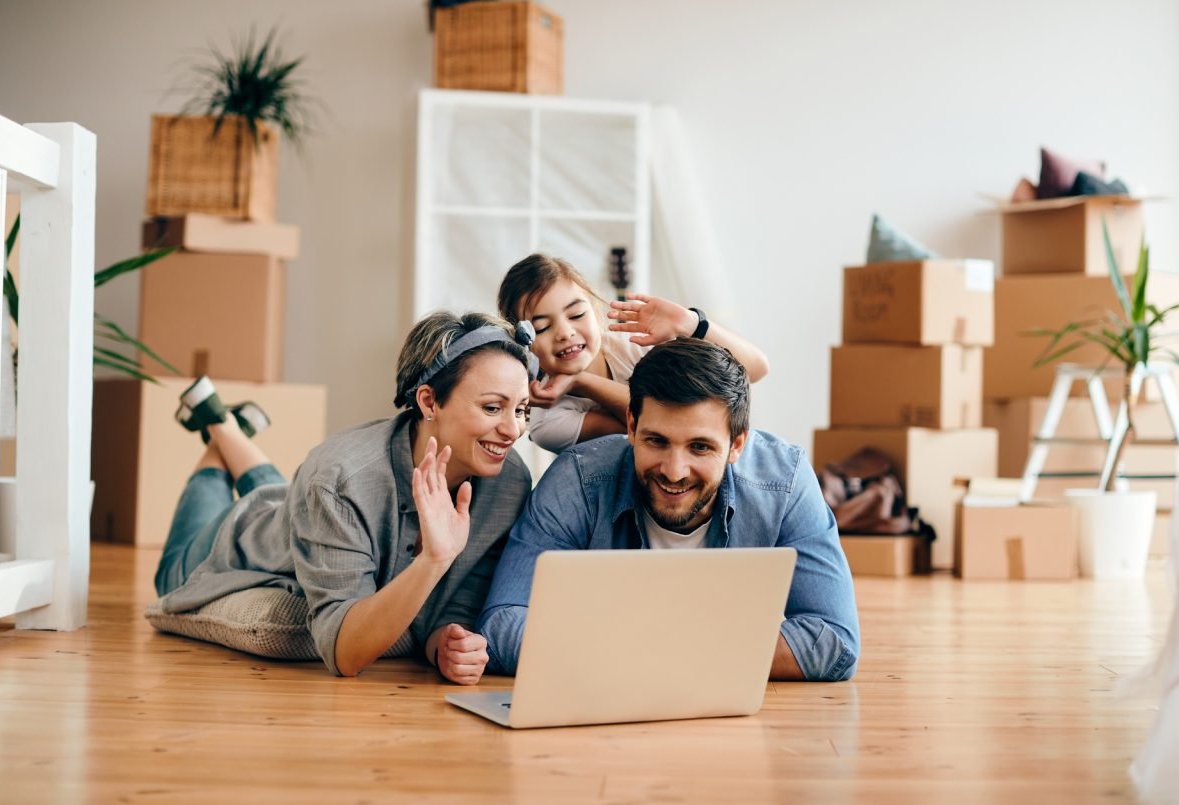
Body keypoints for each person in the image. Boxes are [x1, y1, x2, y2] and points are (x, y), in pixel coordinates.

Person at [153, 311, 536, 684]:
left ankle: (226, 427)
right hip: (236, 541)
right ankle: (217, 427)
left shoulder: (510, 482)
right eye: (492, 408)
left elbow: (460, 599)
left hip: (297, 504)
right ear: (428, 402)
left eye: (521, 410)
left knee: (289, 495)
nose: (513, 429)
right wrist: (434, 559)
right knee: (169, 573)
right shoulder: (340, 478)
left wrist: (445, 644)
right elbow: (346, 655)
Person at [479, 338, 860, 681]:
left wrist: (642, 650)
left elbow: (834, 641)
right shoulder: (578, 479)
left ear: (736, 445)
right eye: (657, 441)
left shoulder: (784, 481)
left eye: (700, 447)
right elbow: (502, 626)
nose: (674, 472)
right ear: (631, 426)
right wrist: (691, 652)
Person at [496, 253, 770, 454]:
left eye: (577, 314)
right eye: (542, 328)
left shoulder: (636, 342)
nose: (565, 333)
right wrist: (582, 382)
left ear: (596, 312)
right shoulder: (549, 423)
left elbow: (755, 369)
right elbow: (658, 426)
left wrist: (690, 323)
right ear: (524, 342)